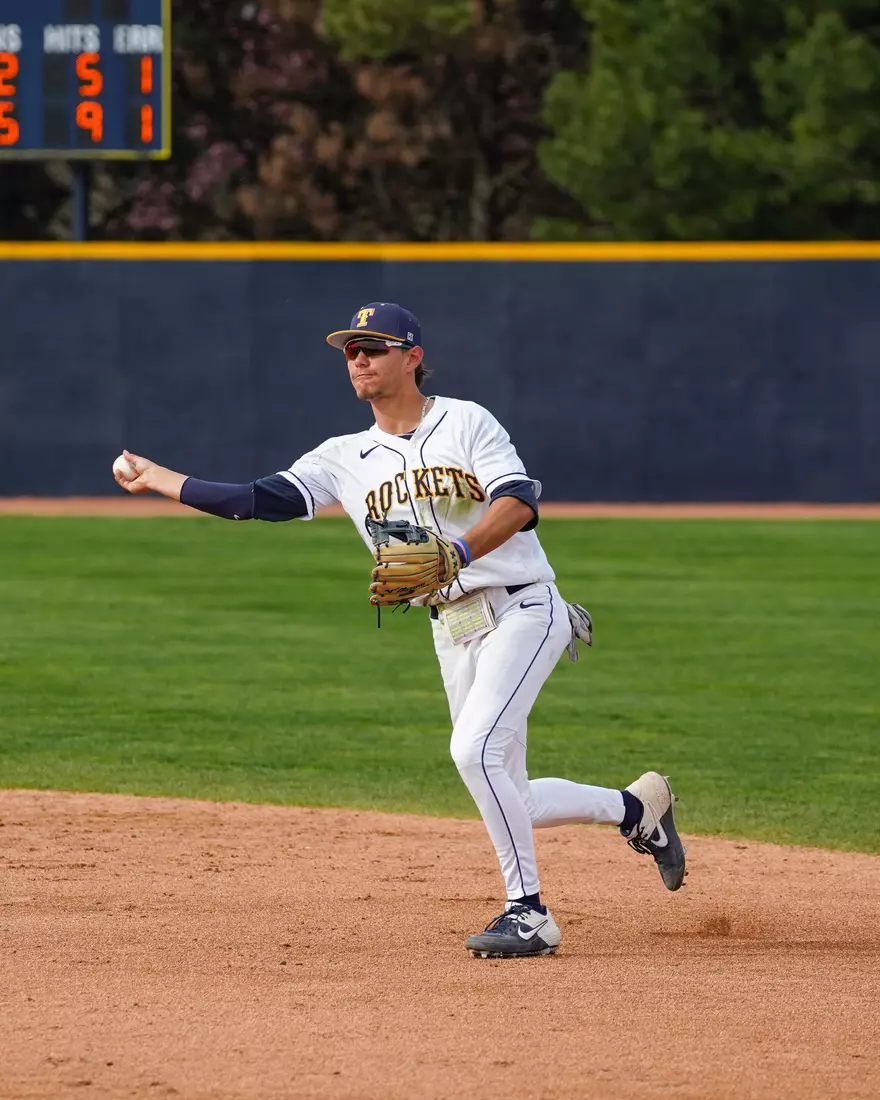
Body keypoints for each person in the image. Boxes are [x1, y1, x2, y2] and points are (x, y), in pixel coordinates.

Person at [114, 301, 686, 958]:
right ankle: (637, 809)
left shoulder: (466, 421)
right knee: (511, 794)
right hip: (453, 627)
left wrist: (459, 552)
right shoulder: (342, 456)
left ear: (412, 357)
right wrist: (158, 478)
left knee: (474, 752)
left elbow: (519, 502)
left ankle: (528, 913)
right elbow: (254, 500)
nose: (358, 359)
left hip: (524, 607)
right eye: (351, 351)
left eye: (373, 348)